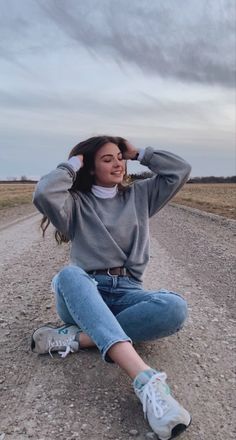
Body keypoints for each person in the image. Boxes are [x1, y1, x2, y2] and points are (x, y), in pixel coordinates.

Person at [31, 135, 192, 440]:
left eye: (120, 157)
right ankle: (145, 380)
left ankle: (80, 339)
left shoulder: (140, 196)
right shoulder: (74, 204)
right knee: (68, 275)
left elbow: (180, 170)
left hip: (128, 290)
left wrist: (140, 152)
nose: (118, 163)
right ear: (90, 168)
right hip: (85, 292)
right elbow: (43, 193)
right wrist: (72, 165)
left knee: (175, 307)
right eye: (107, 159)